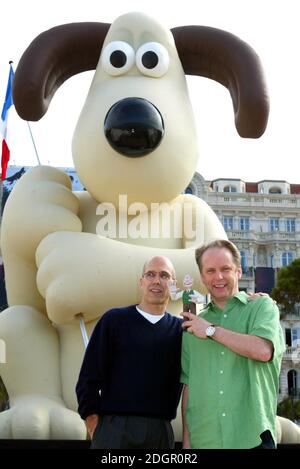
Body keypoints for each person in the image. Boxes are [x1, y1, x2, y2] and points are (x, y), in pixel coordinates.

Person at [181, 239, 285, 449]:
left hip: (252, 437)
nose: (218, 277)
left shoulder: (262, 308)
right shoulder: (192, 327)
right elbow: (189, 387)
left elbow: (263, 350)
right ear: (202, 277)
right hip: (204, 439)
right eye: (210, 271)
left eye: (225, 269)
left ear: (238, 271)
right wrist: (186, 442)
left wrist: (211, 331)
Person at [76, 256, 183, 449]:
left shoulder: (180, 330)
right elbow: (88, 376)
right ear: (141, 282)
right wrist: (93, 422)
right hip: (114, 429)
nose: (157, 280)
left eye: (164, 275)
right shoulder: (114, 320)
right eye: (150, 274)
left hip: (160, 431)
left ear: (173, 284)